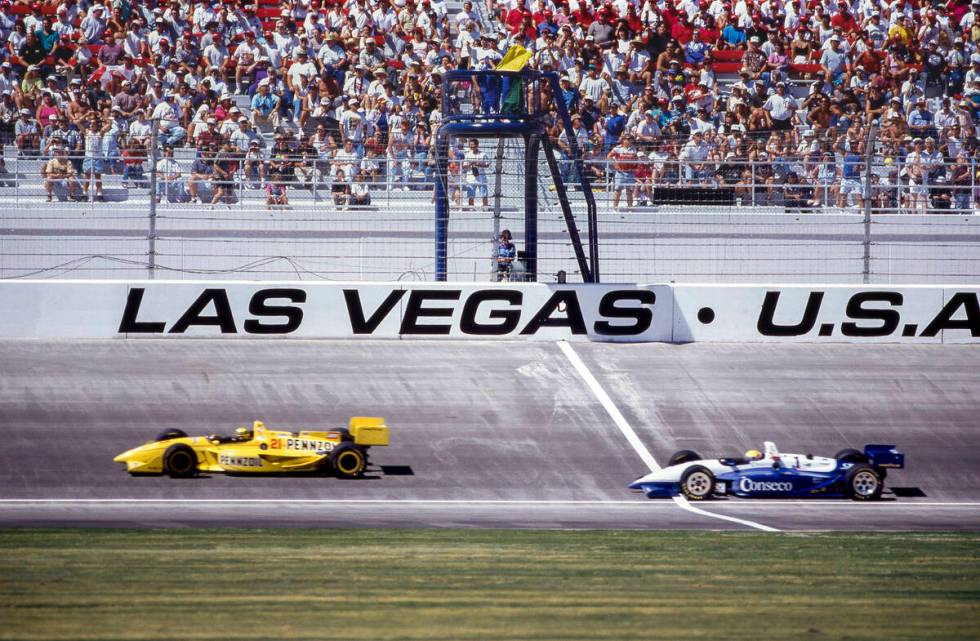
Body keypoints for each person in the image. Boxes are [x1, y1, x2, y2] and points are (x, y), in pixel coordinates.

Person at [462, 137, 489, 208]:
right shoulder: (467, 154)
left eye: (473, 146)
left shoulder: (483, 154)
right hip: (471, 178)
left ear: (477, 145)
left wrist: (478, 164)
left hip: (481, 178)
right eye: (470, 145)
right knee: (471, 195)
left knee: (484, 195)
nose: (471, 147)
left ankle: (485, 208)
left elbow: (487, 165)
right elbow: (464, 166)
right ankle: (471, 208)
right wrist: (470, 164)